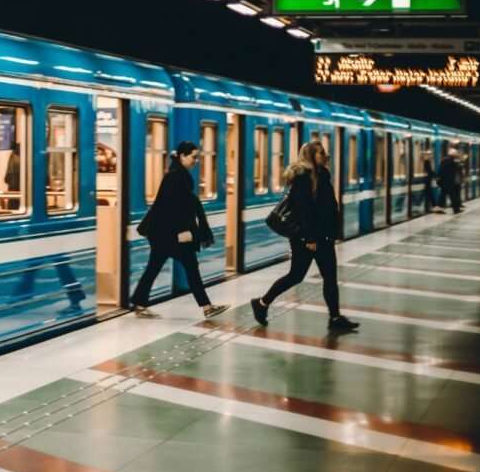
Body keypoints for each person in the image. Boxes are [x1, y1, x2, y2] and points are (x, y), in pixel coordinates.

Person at [251, 141, 360, 331]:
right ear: (311, 156)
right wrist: (309, 238)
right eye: (321, 153)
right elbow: (304, 210)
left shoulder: (323, 174)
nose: (326, 155)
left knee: (330, 277)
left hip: (323, 237)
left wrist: (330, 232)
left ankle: (335, 318)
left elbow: (326, 206)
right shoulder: (303, 178)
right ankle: (261, 303)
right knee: (296, 276)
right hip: (307, 238)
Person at [130, 141, 229, 319]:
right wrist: (183, 230)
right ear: (182, 157)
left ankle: (140, 303)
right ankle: (207, 307)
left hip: (164, 233)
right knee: (190, 267)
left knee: (156, 267)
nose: (196, 160)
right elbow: (172, 206)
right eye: (193, 157)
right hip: (169, 233)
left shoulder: (179, 174)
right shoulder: (175, 176)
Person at [437, 149, 463, 214]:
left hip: (445, 182)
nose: (457, 155)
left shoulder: (444, 160)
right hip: (449, 182)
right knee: (452, 196)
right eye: (456, 154)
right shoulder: (451, 161)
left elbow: (441, 171)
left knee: (443, 195)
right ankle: (456, 209)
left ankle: (439, 208)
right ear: (454, 154)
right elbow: (450, 171)